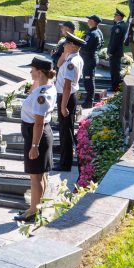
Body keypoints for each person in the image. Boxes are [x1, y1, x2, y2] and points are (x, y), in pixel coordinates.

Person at [15, 57, 57, 223]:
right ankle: (38, 207)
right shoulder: (45, 87)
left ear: (40, 72)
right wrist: (37, 80)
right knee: (41, 174)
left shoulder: (42, 95)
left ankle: (33, 211)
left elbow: (38, 123)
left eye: (32, 70)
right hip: (38, 133)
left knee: (36, 176)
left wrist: (34, 146)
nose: (30, 72)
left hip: (36, 134)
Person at [55, 32, 84, 173]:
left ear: (73, 45)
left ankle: (65, 164)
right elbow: (58, 64)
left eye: (67, 43)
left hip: (66, 97)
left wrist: (63, 106)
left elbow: (67, 86)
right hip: (66, 96)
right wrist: (63, 53)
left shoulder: (72, 63)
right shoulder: (71, 57)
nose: (64, 44)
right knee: (65, 130)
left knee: (65, 132)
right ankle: (64, 160)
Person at [82, 15, 103, 109]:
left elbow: (86, 47)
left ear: (93, 22)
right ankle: (89, 100)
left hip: (89, 59)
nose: (87, 21)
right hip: (92, 58)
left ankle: (89, 101)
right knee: (89, 79)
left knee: (88, 80)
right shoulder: (98, 32)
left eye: (89, 19)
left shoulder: (92, 34)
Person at [107, 9, 127, 92]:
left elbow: (115, 41)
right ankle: (115, 86)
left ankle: (115, 87)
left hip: (115, 53)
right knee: (115, 70)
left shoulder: (118, 27)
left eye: (115, 16)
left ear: (119, 17)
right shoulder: (121, 25)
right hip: (117, 52)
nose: (114, 18)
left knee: (114, 71)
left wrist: (110, 52)